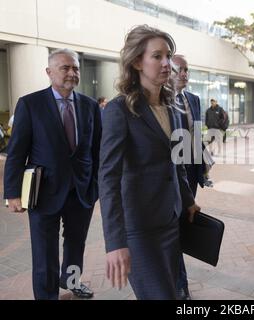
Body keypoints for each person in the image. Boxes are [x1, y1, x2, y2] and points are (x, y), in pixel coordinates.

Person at [99, 25, 200, 300]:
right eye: (157, 56)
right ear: (136, 62)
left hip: (170, 220)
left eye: (168, 55)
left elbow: (176, 163)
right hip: (138, 230)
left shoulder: (172, 106)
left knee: (174, 292)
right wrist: (115, 242)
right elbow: (108, 179)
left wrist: (188, 199)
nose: (167, 63)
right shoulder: (119, 110)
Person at [3, 48, 101, 299]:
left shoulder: (90, 107)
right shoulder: (30, 104)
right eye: (65, 68)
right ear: (49, 72)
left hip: (81, 191)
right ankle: (47, 295)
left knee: (76, 243)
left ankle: (71, 282)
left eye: (75, 68)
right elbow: (16, 153)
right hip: (42, 192)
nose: (71, 72)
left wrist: (97, 185)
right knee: (44, 250)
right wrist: (12, 193)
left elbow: (97, 149)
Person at [171, 54, 206, 300]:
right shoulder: (160, 101)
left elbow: (196, 136)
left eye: (186, 70)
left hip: (190, 173)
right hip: (170, 174)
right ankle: (179, 284)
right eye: (179, 69)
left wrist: (203, 164)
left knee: (185, 222)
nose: (184, 74)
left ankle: (179, 281)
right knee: (173, 227)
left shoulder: (193, 99)